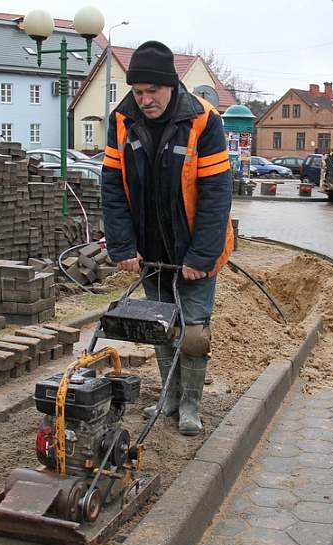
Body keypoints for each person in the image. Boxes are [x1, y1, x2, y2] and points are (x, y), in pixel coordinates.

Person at [101, 40, 234, 436]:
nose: (144, 100)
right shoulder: (122, 120)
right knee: (162, 325)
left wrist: (201, 256)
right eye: (137, 92)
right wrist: (123, 246)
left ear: (171, 86)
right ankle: (169, 398)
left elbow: (216, 194)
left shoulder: (203, 121)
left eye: (151, 92)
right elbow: (112, 185)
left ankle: (191, 404)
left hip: (194, 250)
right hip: (151, 251)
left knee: (193, 330)